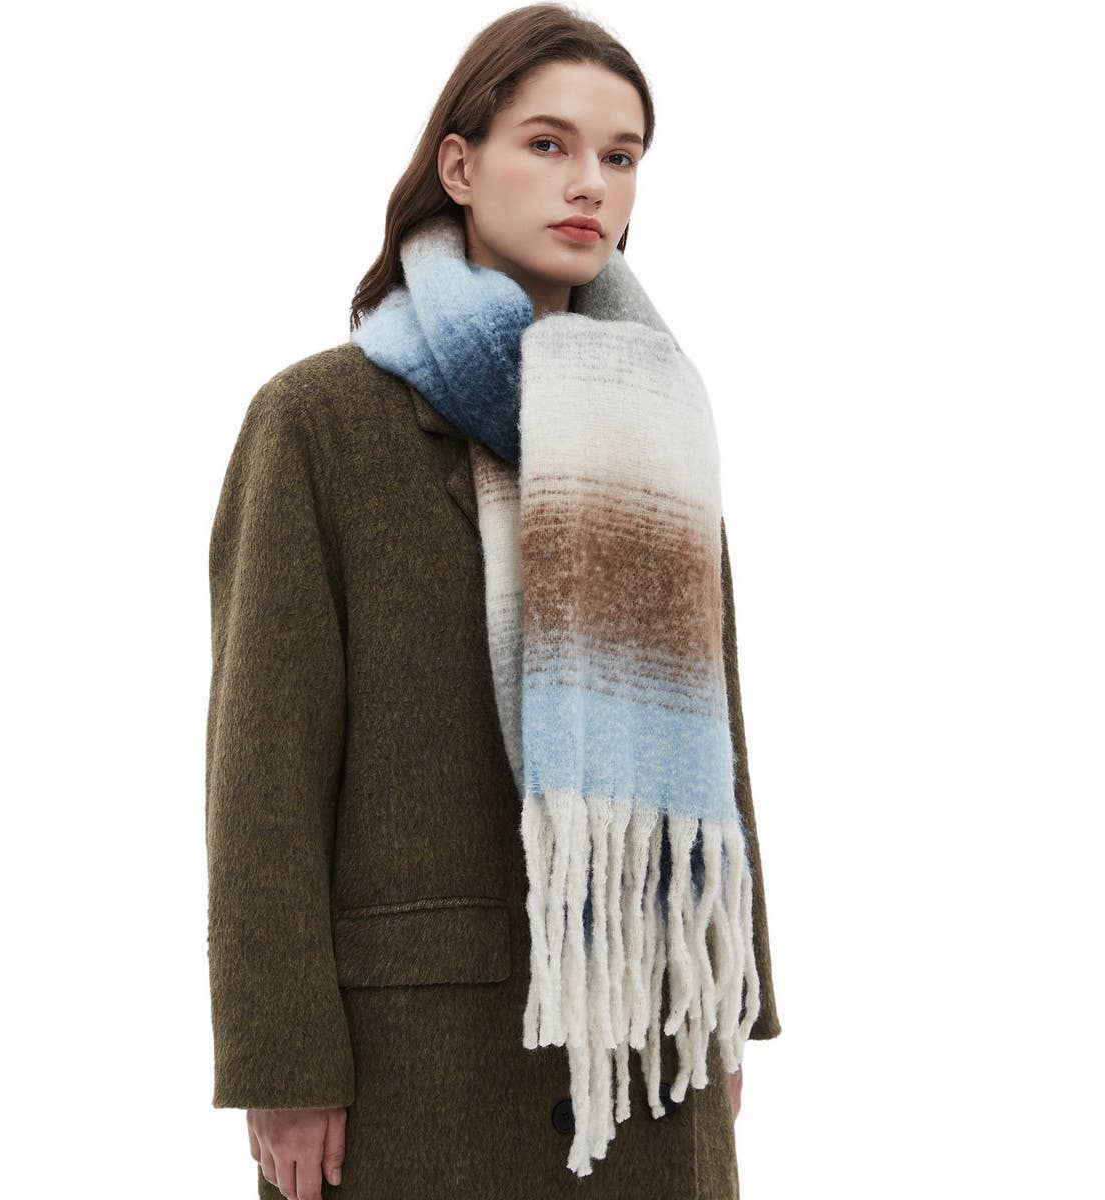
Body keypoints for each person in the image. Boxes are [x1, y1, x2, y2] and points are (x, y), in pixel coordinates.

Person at [205, 6, 782, 1199]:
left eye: (621, 156)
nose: (591, 183)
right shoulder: (319, 423)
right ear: (459, 167)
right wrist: (282, 1062)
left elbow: (712, 735)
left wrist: (725, 990)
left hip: (647, 1034)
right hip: (418, 1055)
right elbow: (263, 772)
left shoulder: (661, 425)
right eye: (548, 144)